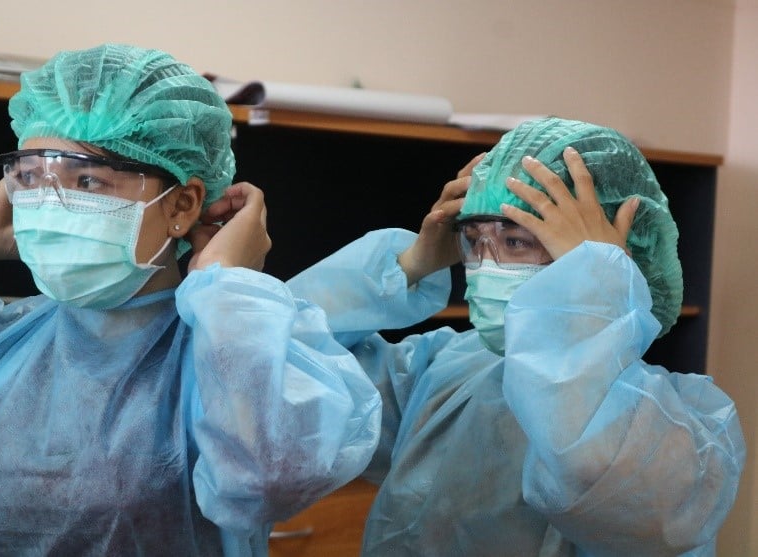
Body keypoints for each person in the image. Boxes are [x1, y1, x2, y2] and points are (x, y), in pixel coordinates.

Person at [0, 43, 382, 556]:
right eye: (30, 179)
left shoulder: (233, 355)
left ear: (182, 204)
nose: (50, 206)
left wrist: (226, 283)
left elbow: (269, 478)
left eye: (88, 180)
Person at [287, 117, 745, 556]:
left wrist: (594, 288)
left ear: (611, 260)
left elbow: (588, 467)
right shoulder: (440, 371)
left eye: (517, 241)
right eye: (473, 240)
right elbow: (283, 367)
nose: (487, 267)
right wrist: (408, 265)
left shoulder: (683, 431)